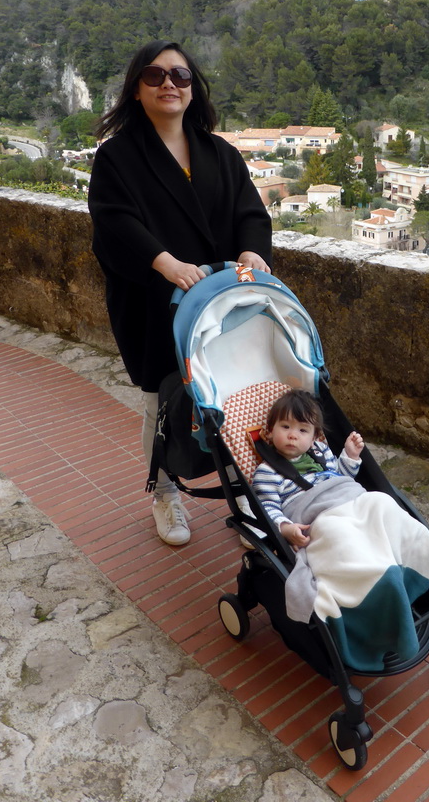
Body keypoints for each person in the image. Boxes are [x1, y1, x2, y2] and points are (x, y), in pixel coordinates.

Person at [88, 39, 272, 546]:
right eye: (155, 75)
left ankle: (246, 492)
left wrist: (254, 252)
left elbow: (250, 214)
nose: (169, 83)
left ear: (193, 88)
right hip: (154, 301)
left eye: (180, 76)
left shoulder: (221, 153)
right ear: (136, 88)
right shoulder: (118, 158)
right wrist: (166, 264)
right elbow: (114, 222)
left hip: (221, 301)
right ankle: (164, 493)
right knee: (164, 402)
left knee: (233, 397)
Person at [252, 389, 364, 549]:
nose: (293, 435)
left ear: (314, 438)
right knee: (339, 532)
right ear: (270, 432)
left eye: (302, 430)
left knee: (380, 502)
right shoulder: (267, 472)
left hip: (346, 500)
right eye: (285, 426)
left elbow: (339, 479)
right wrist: (285, 528)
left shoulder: (321, 451)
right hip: (314, 513)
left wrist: (350, 456)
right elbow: (267, 507)